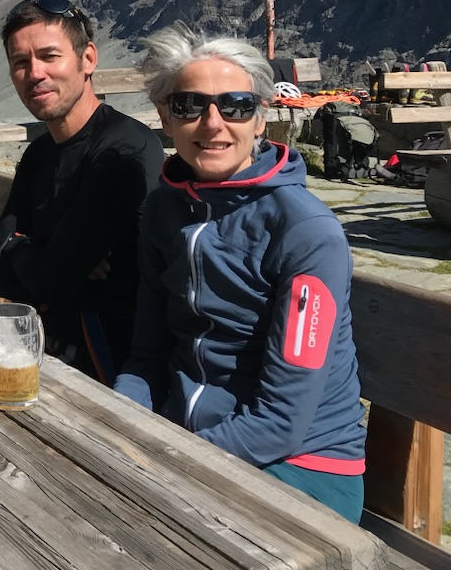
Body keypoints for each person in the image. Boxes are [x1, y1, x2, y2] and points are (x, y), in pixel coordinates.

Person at [114, 26, 366, 522]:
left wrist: (164, 461)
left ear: (260, 118)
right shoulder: (163, 210)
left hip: (300, 467)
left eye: (235, 106)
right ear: (165, 116)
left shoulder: (305, 231)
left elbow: (281, 422)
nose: (213, 124)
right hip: (191, 442)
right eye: (189, 105)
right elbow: (147, 355)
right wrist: (118, 426)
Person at [0, 0, 164, 382]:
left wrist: (20, 246)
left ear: (88, 59)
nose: (34, 73)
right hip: (45, 352)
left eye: (50, 56)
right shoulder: (39, 153)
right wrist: (49, 257)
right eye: (20, 62)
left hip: (111, 367)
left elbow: (51, 278)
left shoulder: (126, 148)